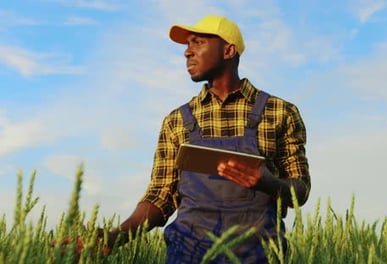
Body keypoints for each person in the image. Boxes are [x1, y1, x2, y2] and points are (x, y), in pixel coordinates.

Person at [105, 15, 311, 263]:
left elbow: (301, 190)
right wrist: (111, 239)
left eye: (197, 42)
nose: (187, 53)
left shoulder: (280, 112)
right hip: (188, 256)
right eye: (187, 45)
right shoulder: (176, 121)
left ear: (228, 50)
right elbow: (160, 197)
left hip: (260, 257)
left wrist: (268, 183)